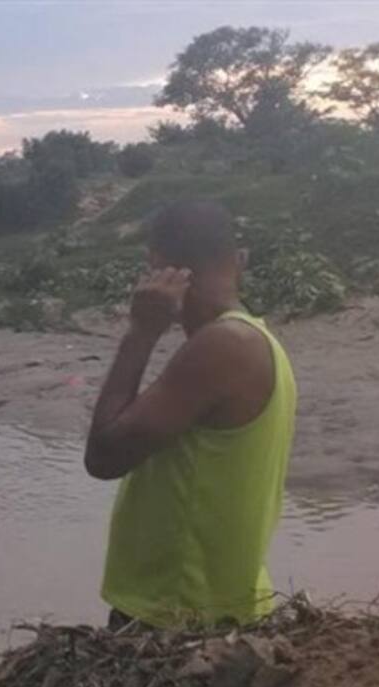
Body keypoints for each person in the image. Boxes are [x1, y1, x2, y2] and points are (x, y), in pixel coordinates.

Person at [84, 200, 296, 630]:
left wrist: (141, 333)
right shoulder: (256, 338)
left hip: (179, 613)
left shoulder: (223, 347)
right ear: (240, 260)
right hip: (216, 602)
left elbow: (103, 456)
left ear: (158, 267)